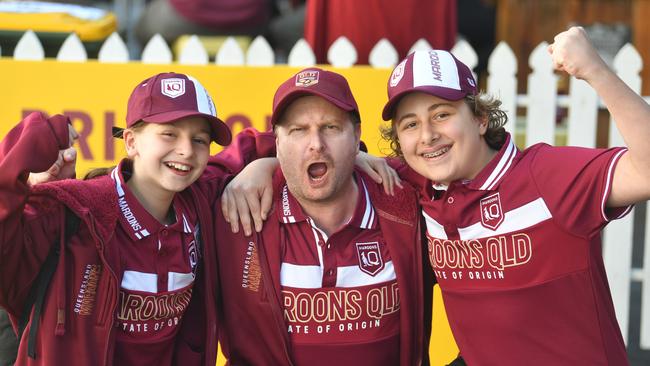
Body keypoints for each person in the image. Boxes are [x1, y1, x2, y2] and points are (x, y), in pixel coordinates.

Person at [375, 26, 646, 364]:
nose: (427, 136)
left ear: (480, 119)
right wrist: (355, 154)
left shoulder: (546, 175)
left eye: (441, 115)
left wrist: (596, 71)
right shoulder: (419, 182)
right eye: (410, 124)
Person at [0, 72, 273, 365]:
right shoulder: (74, 211)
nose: (185, 150)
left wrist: (267, 165)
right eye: (169, 134)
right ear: (131, 141)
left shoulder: (201, 199)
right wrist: (37, 138)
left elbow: (284, 140)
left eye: (199, 140)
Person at [214, 67, 433, 365]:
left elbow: (455, 168)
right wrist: (258, 159)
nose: (316, 144)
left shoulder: (406, 206)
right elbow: (184, 171)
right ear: (277, 142)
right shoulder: (237, 210)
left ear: (357, 136)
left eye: (331, 127)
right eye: (298, 130)